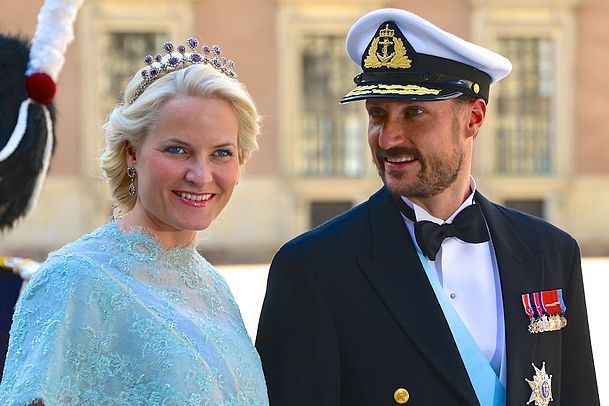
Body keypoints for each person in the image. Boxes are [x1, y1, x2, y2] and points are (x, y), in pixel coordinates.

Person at [256, 8, 599, 406]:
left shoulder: (551, 252)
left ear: (474, 117)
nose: (388, 138)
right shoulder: (314, 269)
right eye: (377, 114)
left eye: (414, 113)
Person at [0, 38, 269, 405]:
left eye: (221, 153)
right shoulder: (73, 279)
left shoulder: (215, 288)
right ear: (131, 153)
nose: (201, 175)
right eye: (177, 150)